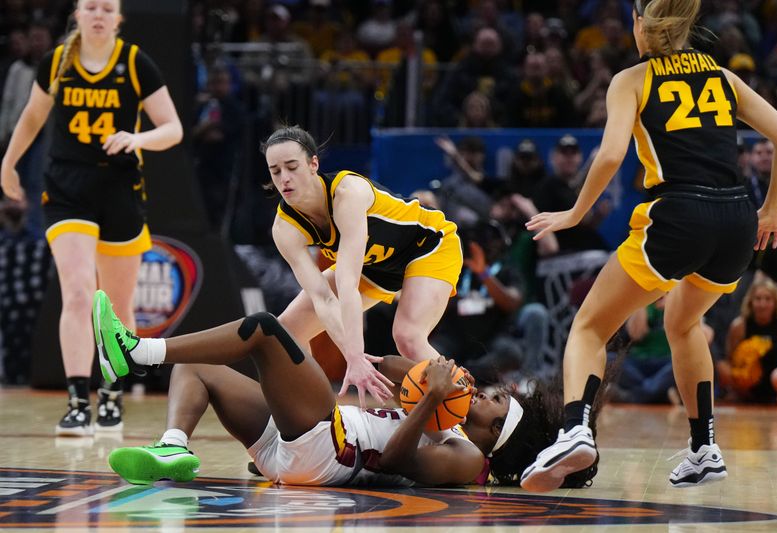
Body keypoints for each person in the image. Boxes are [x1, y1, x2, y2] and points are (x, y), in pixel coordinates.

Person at [522, 0, 777, 492]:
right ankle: (703, 447)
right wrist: (773, 208)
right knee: (683, 321)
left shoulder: (631, 79)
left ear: (641, 25)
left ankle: (574, 430)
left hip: (678, 213)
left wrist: (575, 213)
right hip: (736, 218)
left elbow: (609, 155)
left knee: (588, 326)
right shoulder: (721, 75)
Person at [91, 289, 603, 488]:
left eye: (496, 401)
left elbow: (401, 462)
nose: (489, 391)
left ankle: (137, 352)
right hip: (295, 449)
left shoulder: (472, 461)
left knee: (267, 330)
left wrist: (428, 399)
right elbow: (395, 367)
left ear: (496, 429)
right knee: (200, 366)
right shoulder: (450, 409)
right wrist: (429, 378)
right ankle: (172, 446)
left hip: (325, 443)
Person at [0, 0, 182, 435]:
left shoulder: (136, 63)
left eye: (106, 7)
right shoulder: (58, 61)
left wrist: (136, 137)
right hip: (66, 188)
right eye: (90, 6)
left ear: (117, 18)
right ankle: (79, 400)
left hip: (119, 187)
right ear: (78, 15)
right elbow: (31, 117)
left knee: (116, 307)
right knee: (79, 291)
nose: (98, 13)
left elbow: (172, 128)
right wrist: (7, 164)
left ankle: (112, 393)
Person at [263, 125, 462, 407]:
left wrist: (356, 355)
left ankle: (471, 403)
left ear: (313, 165)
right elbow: (322, 297)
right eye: (275, 171)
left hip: (427, 246)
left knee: (407, 336)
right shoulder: (285, 228)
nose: (284, 178)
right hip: (377, 267)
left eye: (292, 167)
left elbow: (347, 284)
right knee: (288, 331)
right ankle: (312, 420)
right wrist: (352, 356)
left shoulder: (347, 193)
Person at [717, 279, 777, 403]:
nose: (762, 304)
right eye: (758, 299)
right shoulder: (739, 326)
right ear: (751, 301)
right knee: (722, 368)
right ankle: (741, 395)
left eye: (767, 299)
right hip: (747, 383)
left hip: (773, 379)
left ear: (776, 302)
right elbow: (729, 359)